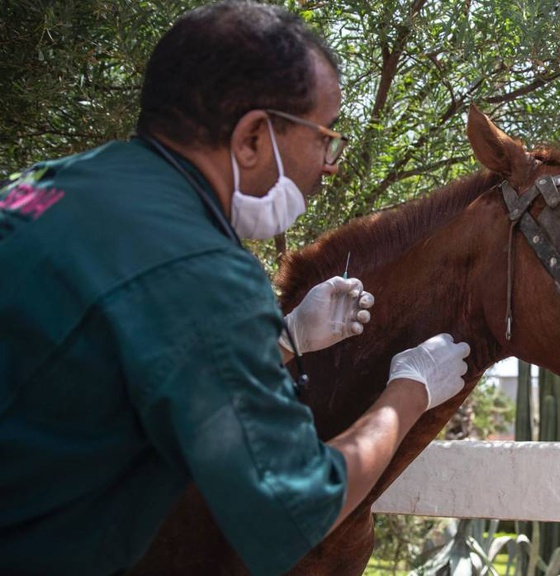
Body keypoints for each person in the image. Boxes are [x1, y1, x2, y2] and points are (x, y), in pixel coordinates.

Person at [0, 2, 471, 575]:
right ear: (252, 137)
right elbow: (291, 509)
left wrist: (287, 336)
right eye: (325, 138)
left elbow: (105, 365)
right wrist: (411, 390)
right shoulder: (206, 271)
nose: (330, 167)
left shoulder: (45, 184)